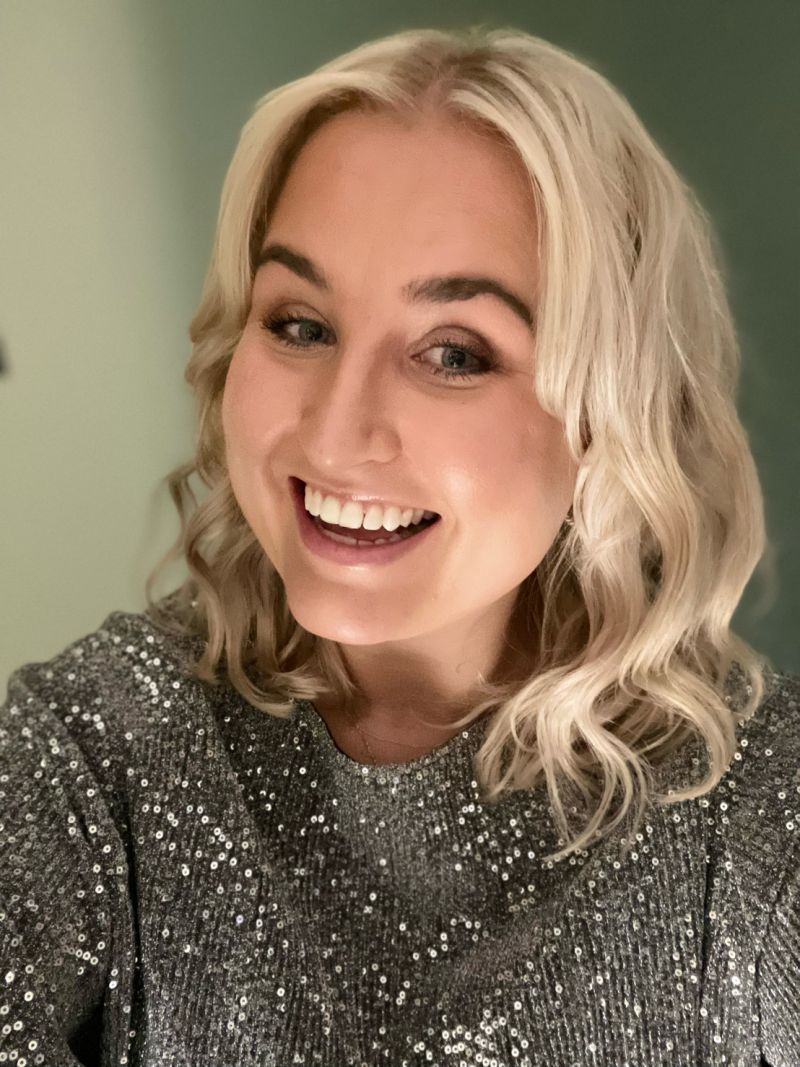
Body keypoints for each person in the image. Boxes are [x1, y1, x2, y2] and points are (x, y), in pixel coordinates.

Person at [1, 23, 797, 1067]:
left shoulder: (752, 818)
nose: (335, 435)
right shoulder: (97, 751)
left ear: (611, 410)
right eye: (299, 324)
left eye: (454, 353)